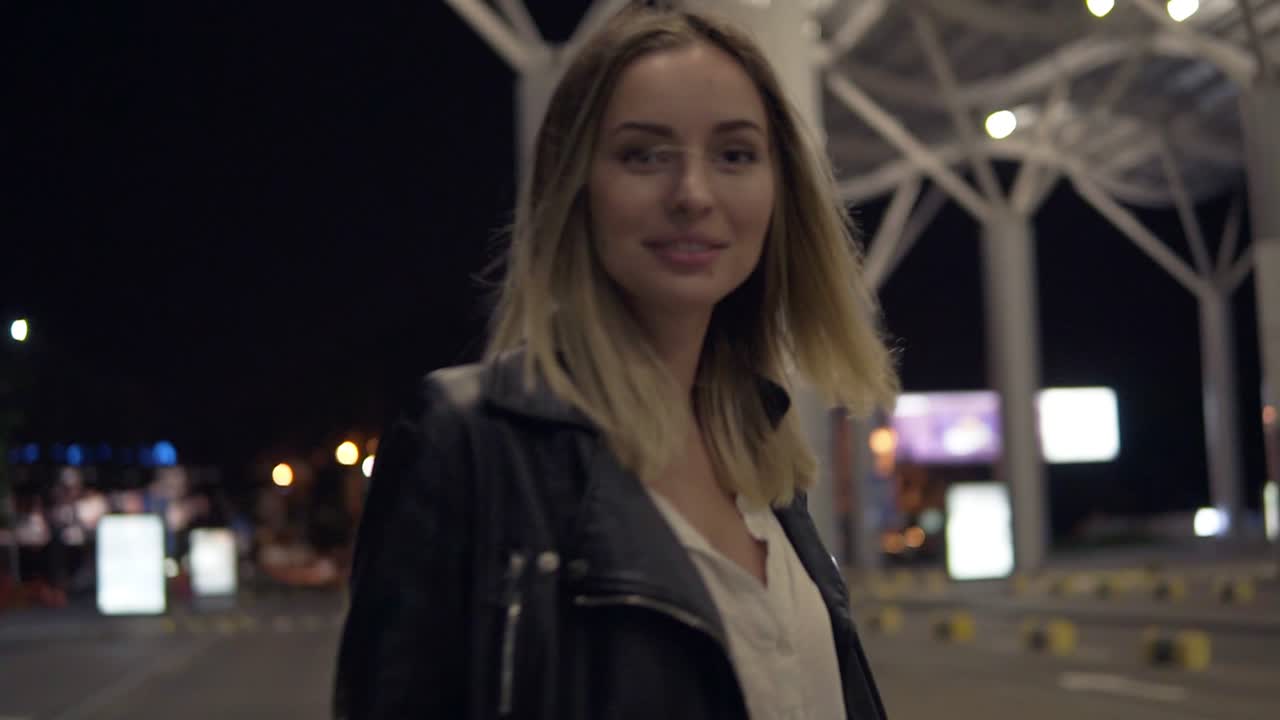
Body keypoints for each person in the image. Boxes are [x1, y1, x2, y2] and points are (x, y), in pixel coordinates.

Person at [334, 4, 898, 719]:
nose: (692, 194)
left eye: (734, 154)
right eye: (644, 154)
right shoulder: (472, 442)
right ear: (575, 187)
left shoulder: (763, 457)